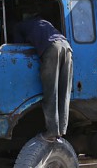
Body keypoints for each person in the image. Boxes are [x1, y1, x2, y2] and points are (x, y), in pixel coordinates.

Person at [14, 13, 73, 142]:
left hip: (52, 48)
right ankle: (61, 130)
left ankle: (52, 131)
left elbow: (19, 48)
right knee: (64, 92)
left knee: (50, 92)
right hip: (67, 47)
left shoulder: (19, 26)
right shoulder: (43, 21)